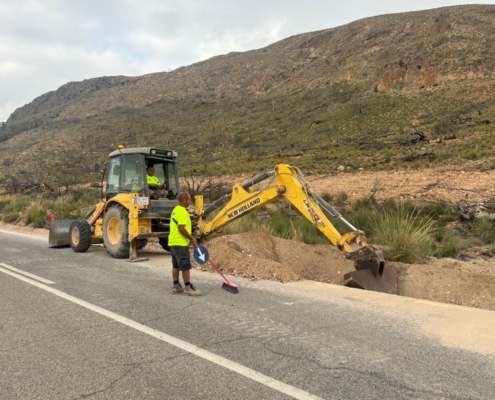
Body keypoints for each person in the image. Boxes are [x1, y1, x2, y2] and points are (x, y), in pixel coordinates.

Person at [168, 192, 201, 296]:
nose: (190, 201)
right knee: (185, 265)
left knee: (176, 265)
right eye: (189, 200)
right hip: (180, 242)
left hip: (173, 241)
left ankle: (176, 285)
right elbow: (181, 228)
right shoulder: (182, 211)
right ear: (184, 200)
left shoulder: (175, 210)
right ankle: (188, 287)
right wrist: (191, 238)